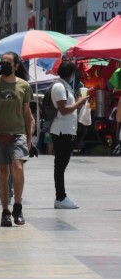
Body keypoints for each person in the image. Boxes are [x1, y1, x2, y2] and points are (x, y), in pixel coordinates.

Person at [0, 51, 35, 227]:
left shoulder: (24, 86)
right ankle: (5, 210)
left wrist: (29, 137)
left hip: (17, 133)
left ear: (16, 66)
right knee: (3, 172)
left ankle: (17, 205)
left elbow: (27, 114)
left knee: (17, 167)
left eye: (8, 62)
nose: (4, 65)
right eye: (2, 62)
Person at [50, 61, 89, 209]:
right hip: (61, 131)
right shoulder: (59, 87)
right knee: (60, 166)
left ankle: (61, 197)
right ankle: (60, 197)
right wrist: (80, 102)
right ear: (72, 74)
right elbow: (64, 110)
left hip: (67, 130)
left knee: (61, 165)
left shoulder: (64, 86)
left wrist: (80, 98)